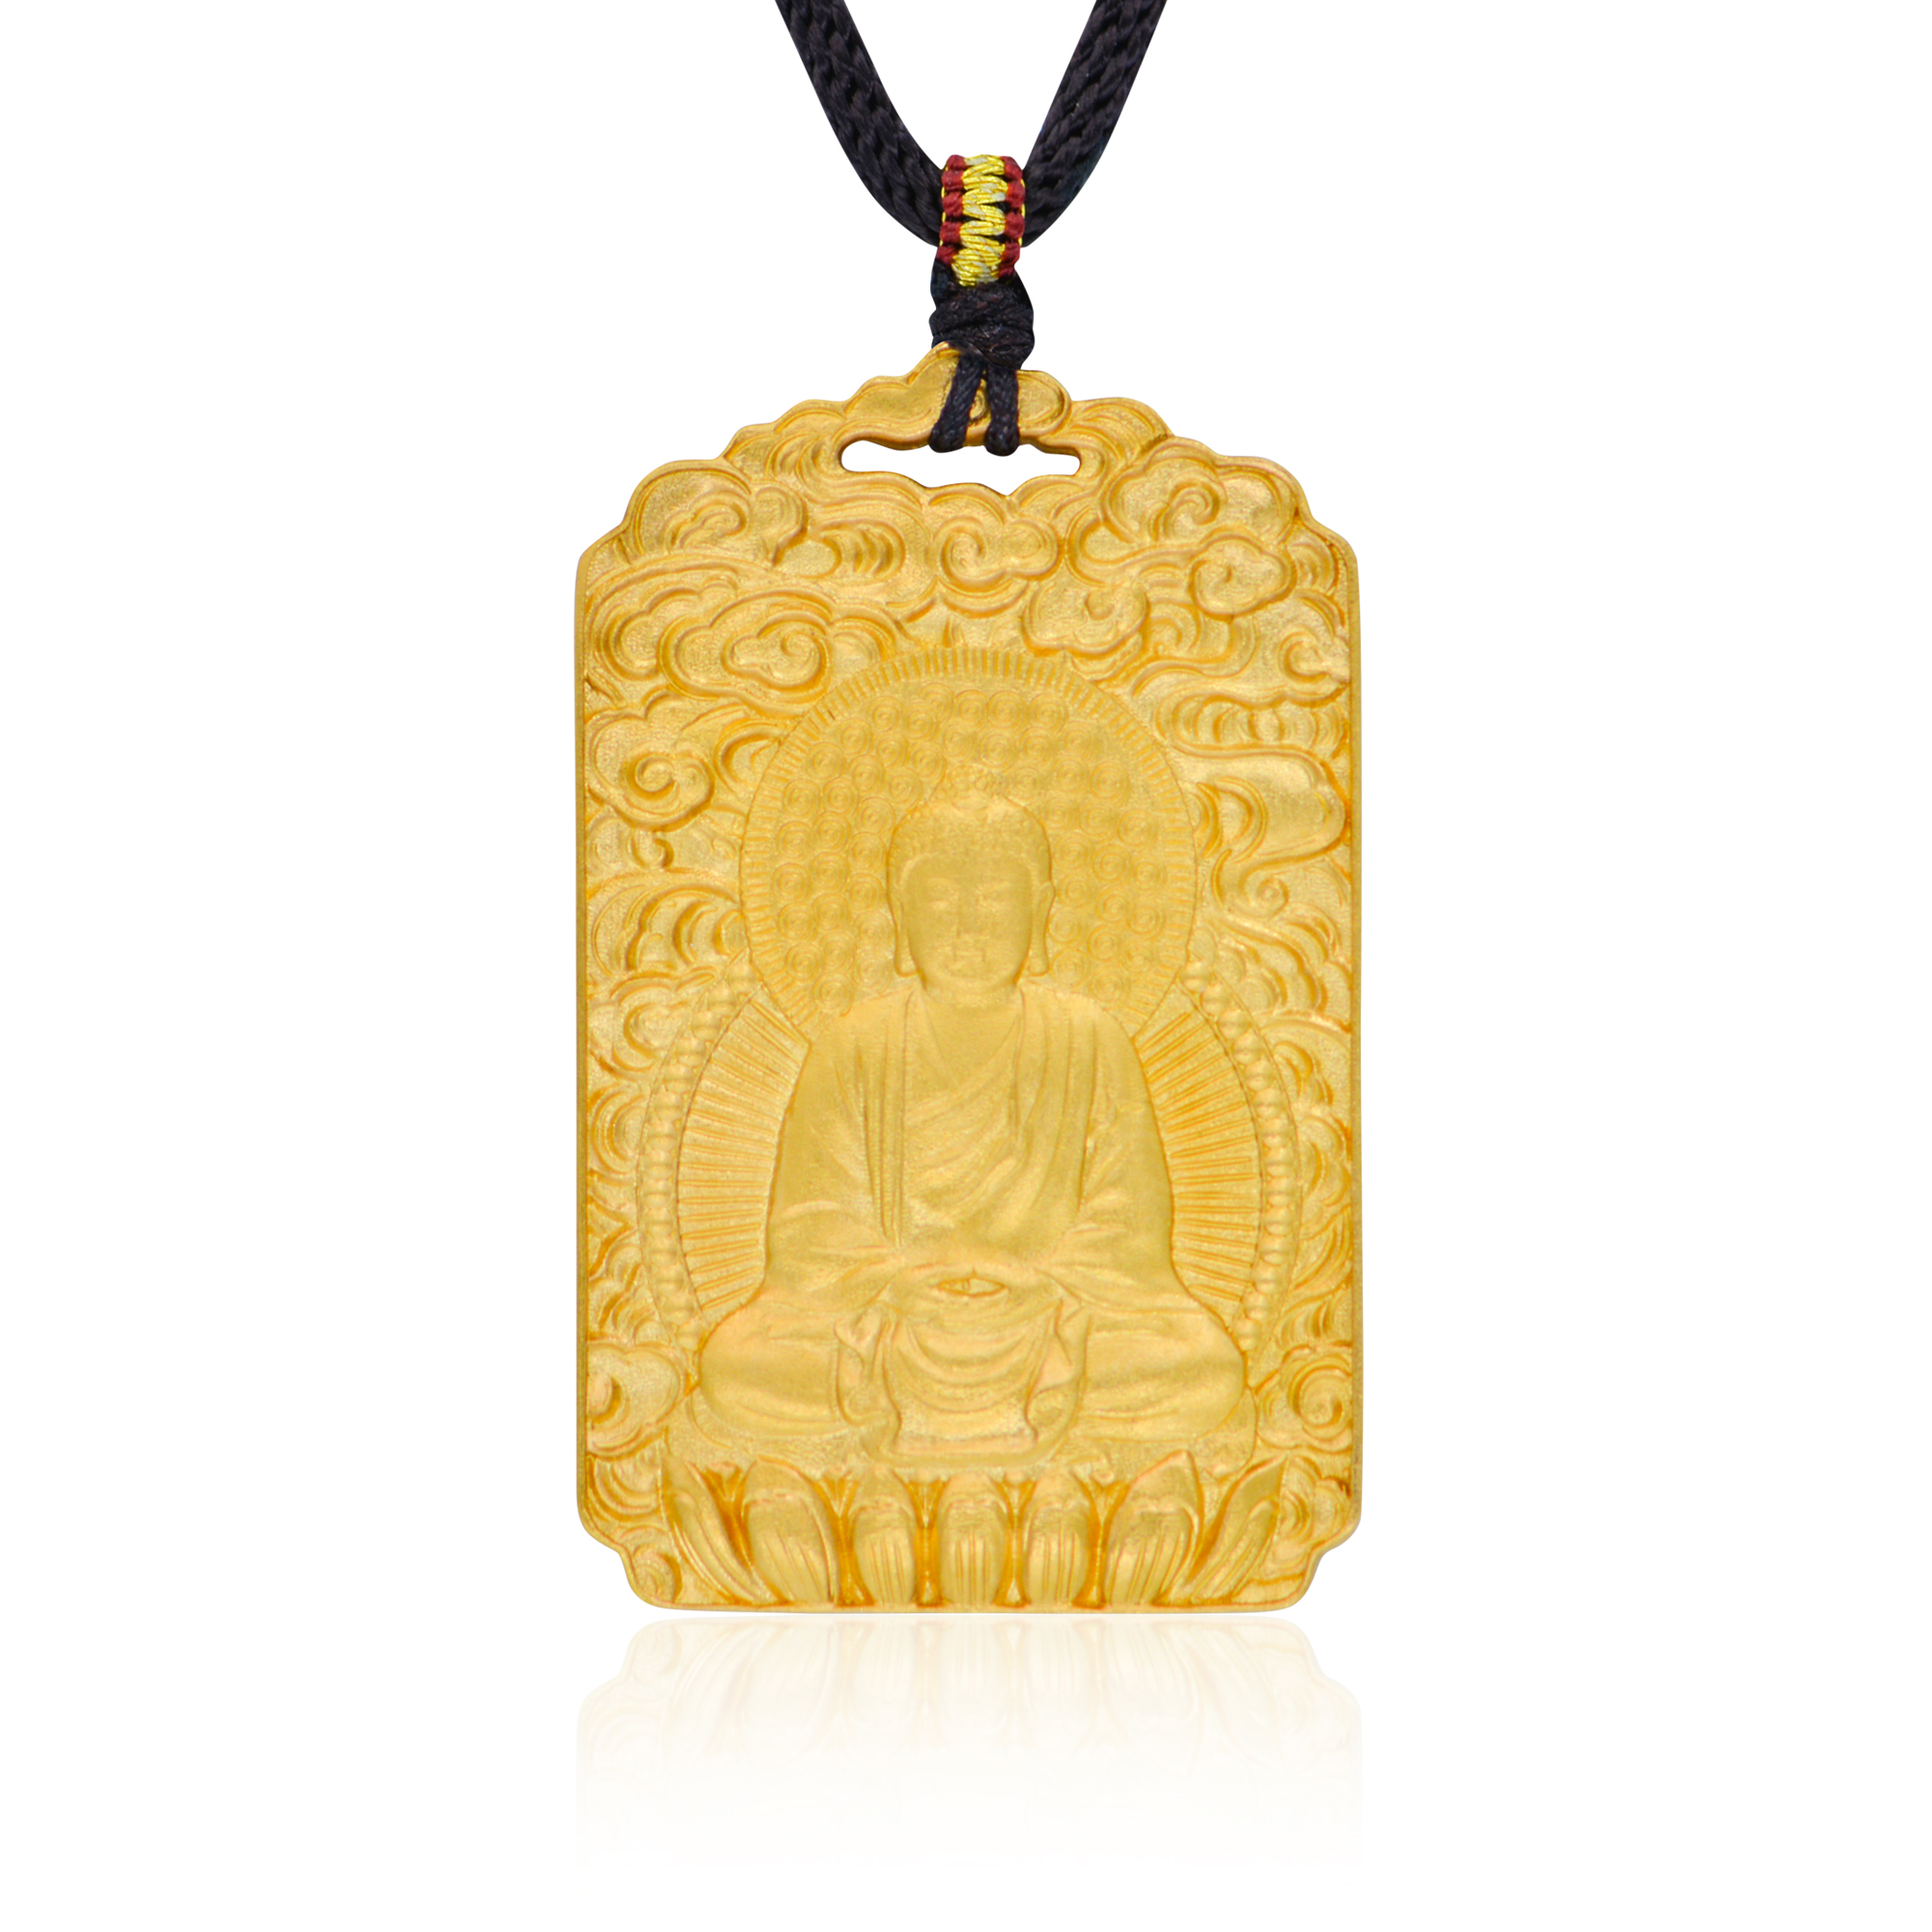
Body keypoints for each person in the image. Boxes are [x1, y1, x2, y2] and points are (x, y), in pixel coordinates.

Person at [699, 767, 1247, 1471]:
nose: (967, 928)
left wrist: (1036, 1287)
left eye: (993, 900)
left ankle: (947, 1409)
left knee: (1201, 1362)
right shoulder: (855, 1042)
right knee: (737, 1361)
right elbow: (812, 1230)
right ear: (900, 914)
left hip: (1051, 1316)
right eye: (940, 900)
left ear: (1039, 912)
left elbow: (1129, 1226)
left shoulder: (1088, 1038)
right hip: (893, 1318)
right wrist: (901, 1284)